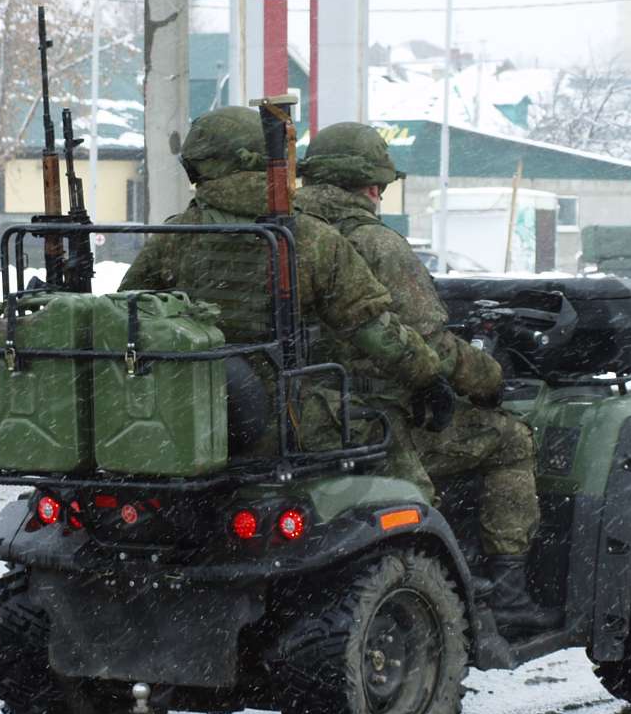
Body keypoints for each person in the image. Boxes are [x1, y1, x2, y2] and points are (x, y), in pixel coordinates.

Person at [295, 122, 556, 637]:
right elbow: (430, 346)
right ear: (373, 186)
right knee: (509, 439)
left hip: (290, 417)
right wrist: (489, 379)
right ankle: (506, 594)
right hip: (370, 421)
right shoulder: (374, 244)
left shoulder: (278, 231)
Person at [122, 106, 449, 468]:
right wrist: (428, 379)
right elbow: (372, 329)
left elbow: (128, 315)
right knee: (392, 446)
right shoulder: (307, 236)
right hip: (281, 420)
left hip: (182, 415)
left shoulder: (176, 234)